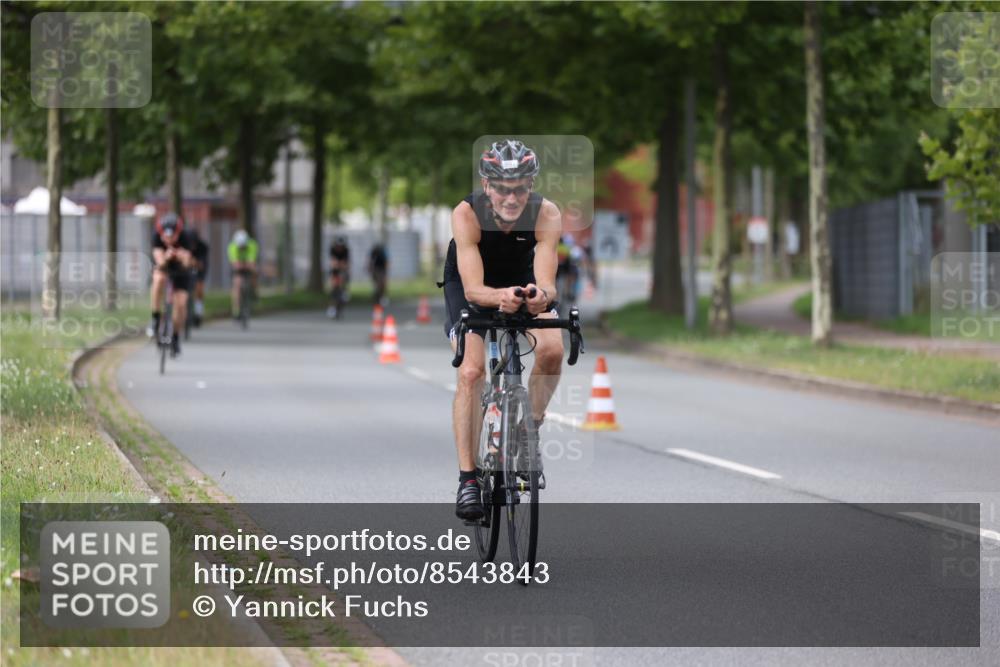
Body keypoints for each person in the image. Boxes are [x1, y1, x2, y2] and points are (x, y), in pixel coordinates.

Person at [441, 139, 563, 521]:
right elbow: (475, 290)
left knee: (553, 350)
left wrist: (540, 297)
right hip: (471, 285)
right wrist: (499, 298)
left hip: (521, 280)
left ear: (531, 185)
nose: (512, 198)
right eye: (502, 189)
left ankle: (527, 433)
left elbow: (548, 283)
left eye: (520, 189)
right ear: (486, 185)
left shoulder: (546, 213)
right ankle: (468, 479)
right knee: (471, 371)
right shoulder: (466, 214)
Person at [147, 212, 195, 356]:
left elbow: (188, 264)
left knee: (181, 304)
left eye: (172, 236)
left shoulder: (186, 237)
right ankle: (155, 317)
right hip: (164, 267)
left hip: (181, 271)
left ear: (178, 234)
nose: (168, 239)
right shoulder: (156, 237)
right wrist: (167, 257)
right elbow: (160, 261)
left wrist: (182, 257)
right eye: (165, 237)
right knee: (158, 279)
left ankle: (175, 336)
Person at [227, 229, 259, 319]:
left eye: (243, 246)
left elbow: (252, 263)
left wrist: (249, 265)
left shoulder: (252, 245)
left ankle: (254, 291)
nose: (242, 248)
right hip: (239, 267)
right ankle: (236, 310)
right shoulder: (232, 247)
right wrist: (243, 265)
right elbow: (235, 264)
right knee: (237, 284)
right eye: (240, 246)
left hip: (247, 265)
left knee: (255, 271)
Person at [328, 235, 351, 318]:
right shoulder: (333, 249)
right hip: (335, 270)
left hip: (343, 270)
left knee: (343, 280)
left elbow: (346, 264)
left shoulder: (346, 251)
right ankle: (332, 307)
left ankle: (344, 292)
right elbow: (333, 262)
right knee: (334, 287)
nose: (340, 248)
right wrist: (337, 265)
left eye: (341, 246)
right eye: (338, 246)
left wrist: (341, 265)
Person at [190, 229, 209, 327]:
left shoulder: (203, 246)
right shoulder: (184, 244)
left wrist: (194, 262)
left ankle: (198, 312)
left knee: (199, 288)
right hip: (186, 268)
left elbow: (201, 264)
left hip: (200, 269)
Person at [368, 242, 389, 306]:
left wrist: (385, 272)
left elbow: (387, 262)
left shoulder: (384, 252)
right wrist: (370, 269)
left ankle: (382, 297)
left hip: (382, 269)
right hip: (376, 269)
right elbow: (370, 261)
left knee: (383, 284)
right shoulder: (373, 252)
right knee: (377, 285)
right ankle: (377, 299)